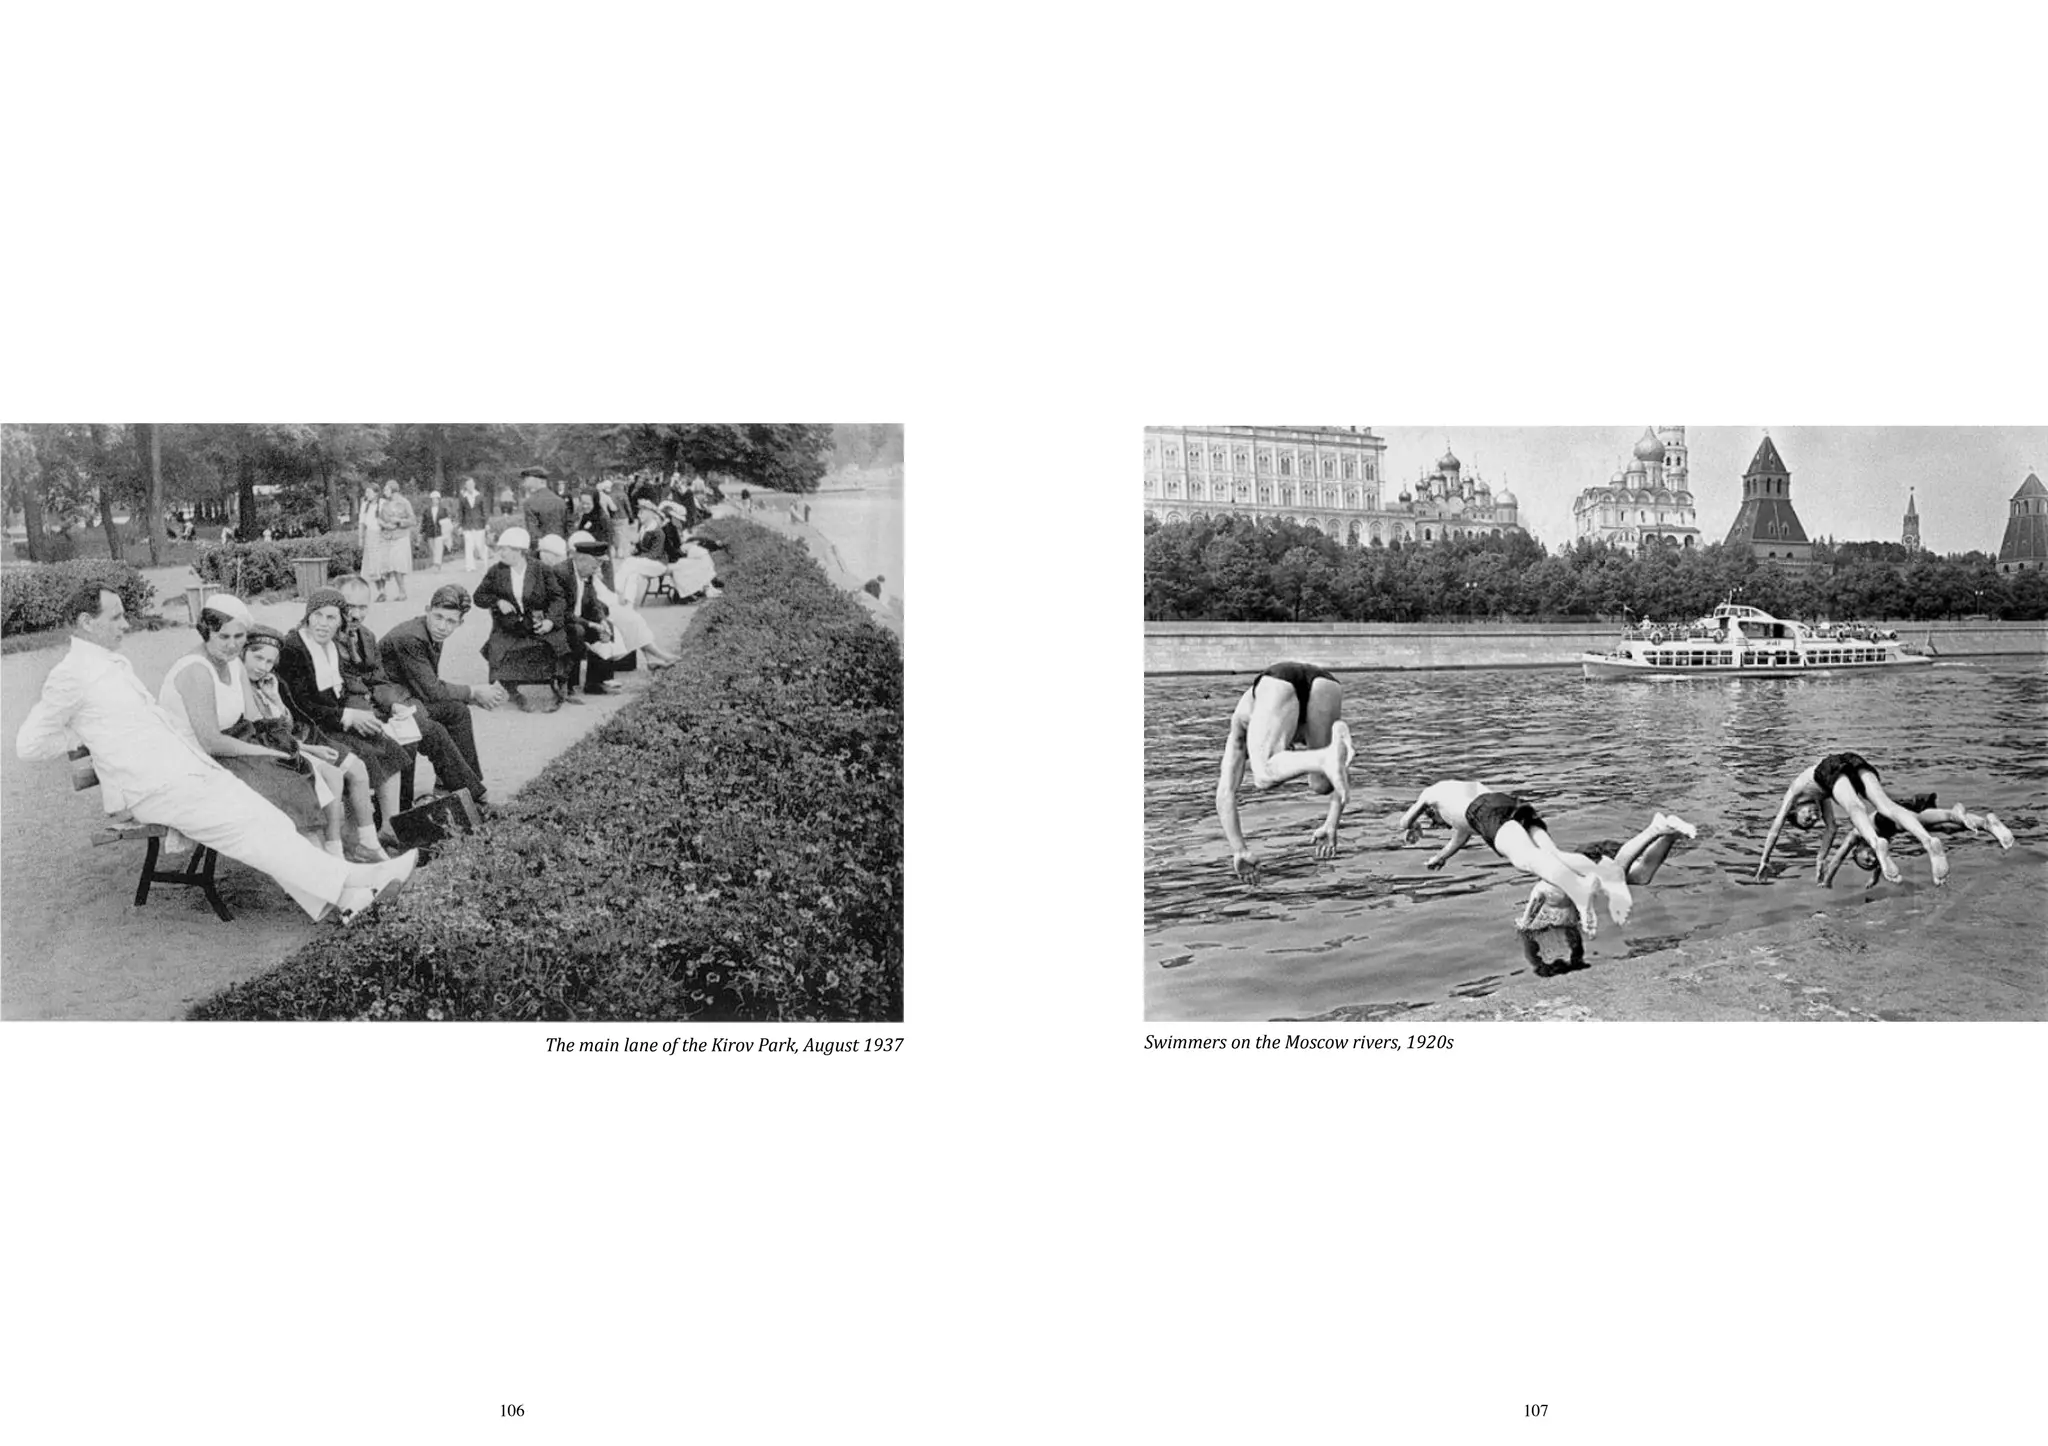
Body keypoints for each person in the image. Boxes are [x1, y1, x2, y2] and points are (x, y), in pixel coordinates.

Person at [16, 585, 417, 923]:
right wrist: (89, 740)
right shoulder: (70, 675)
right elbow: (29, 745)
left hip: (184, 770)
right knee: (248, 829)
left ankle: (347, 897)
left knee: (268, 819)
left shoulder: (111, 663)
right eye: (116, 617)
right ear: (87, 622)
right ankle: (359, 883)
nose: (126, 624)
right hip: (152, 787)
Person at [157, 593, 350, 856]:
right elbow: (211, 742)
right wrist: (266, 752)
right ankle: (315, 867)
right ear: (206, 632)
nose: (231, 645)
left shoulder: (234, 664)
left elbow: (256, 721)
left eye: (239, 637)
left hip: (232, 750)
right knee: (283, 784)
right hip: (196, 761)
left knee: (298, 769)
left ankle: (324, 861)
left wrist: (299, 748)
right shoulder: (196, 670)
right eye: (223, 636)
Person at [332, 575, 491, 809]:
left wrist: (395, 704)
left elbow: (377, 680)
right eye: (350, 606)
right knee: (418, 728)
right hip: (352, 713)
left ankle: (466, 791)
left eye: (362, 607)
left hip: (388, 700)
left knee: (446, 717)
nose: (356, 614)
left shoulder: (365, 635)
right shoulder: (327, 637)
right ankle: (406, 808)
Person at [1397, 779, 1631, 937]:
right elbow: (1462, 834)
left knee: (1526, 859)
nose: (1443, 825)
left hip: (1484, 812)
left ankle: (1578, 889)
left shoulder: (1430, 794)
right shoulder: (1457, 792)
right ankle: (1605, 870)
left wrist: (1412, 826)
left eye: (1437, 823)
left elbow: (1403, 822)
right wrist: (1441, 856)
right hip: (1506, 802)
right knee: (1552, 855)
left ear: (1431, 813)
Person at [276, 587, 414, 845]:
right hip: (309, 728)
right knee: (364, 755)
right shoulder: (294, 648)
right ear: (307, 617)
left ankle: (389, 827)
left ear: (341, 621)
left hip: (330, 720)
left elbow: (337, 696)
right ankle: (356, 836)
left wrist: (358, 716)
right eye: (317, 615)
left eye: (331, 617)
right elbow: (301, 706)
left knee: (389, 748)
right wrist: (347, 717)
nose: (323, 623)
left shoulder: (331, 647)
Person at [241, 622, 387, 861]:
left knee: (350, 769)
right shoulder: (243, 688)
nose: (262, 667)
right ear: (243, 654)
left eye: (269, 662)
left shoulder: (267, 683)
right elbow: (264, 734)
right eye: (258, 658)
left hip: (294, 740)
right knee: (332, 775)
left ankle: (356, 844)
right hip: (274, 752)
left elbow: (286, 724)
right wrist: (309, 748)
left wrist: (275, 699)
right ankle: (333, 851)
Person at [1216, 662, 1357, 882]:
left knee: (1263, 776)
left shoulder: (1239, 733)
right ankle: (1332, 743)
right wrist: (1331, 823)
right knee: (1322, 783)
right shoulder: (1283, 727)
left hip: (1278, 682)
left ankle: (1323, 756)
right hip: (1326, 683)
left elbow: (1225, 793)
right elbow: (1340, 770)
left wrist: (1239, 850)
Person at [1517, 813, 1697, 975]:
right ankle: (1670, 835)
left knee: (1617, 872)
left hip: (1582, 864)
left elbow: (1527, 925)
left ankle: (1655, 829)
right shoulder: (1560, 899)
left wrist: (1526, 930)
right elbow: (1572, 931)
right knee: (1642, 876)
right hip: (1582, 865)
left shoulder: (1546, 890)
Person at [1755, 752, 1951, 887]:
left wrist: (1764, 860)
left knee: (1854, 807)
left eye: (1806, 818)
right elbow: (1831, 828)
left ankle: (1876, 843)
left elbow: (1775, 828)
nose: (1814, 816)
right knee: (1887, 806)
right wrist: (1821, 858)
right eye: (1813, 820)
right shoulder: (1821, 797)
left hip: (1830, 767)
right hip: (1852, 760)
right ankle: (1927, 840)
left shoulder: (1793, 793)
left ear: (1795, 810)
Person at [1816, 789, 2015, 888]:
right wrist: (1875, 877)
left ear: (1856, 852)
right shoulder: (1876, 848)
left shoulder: (1856, 834)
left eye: (1865, 860)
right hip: (1903, 818)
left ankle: (1958, 811)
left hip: (1893, 816)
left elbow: (1838, 858)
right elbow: (1879, 858)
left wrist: (1828, 881)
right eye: (1871, 863)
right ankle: (1987, 823)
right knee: (1946, 826)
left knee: (1945, 818)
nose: (1870, 859)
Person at [472, 526, 567, 711]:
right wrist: (498, 601)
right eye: (500, 549)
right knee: (498, 649)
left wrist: (550, 621)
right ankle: (513, 691)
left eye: (505, 549)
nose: (501, 553)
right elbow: (479, 596)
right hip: (510, 627)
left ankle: (557, 687)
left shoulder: (540, 569)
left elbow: (558, 598)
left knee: (556, 645)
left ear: (519, 551)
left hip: (539, 624)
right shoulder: (496, 571)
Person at [375, 479, 416, 601]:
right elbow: (380, 519)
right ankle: (385, 593)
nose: (384, 491)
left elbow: (413, 520)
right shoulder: (385, 505)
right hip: (388, 538)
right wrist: (384, 525)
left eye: (386, 489)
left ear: (393, 490)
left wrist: (399, 521)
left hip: (401, 537)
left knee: (398, 565)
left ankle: (402, 592)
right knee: (388, 566)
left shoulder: (404, 503)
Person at [521, 467, 565, 547]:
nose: (524, 483)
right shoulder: (560, 501)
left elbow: (533, 532)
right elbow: (568, 526)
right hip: (560, 546)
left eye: (527, 479)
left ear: (539, 480)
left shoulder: (530, 502)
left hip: (542, 548)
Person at [456, 476, 490, 573]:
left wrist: (486, 523)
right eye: (468, 485)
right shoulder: (463, 497)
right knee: (469, 546)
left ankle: (485, 563)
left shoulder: (480, 496)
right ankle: (470, 566)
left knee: (480, 546)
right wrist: (460, 526)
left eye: (471, 484)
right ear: (466, 486)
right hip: (467, 525)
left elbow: (485, 511)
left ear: (474, 485)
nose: (470, 486)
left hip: (479, 525)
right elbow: (460, 512)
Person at [421, 489, 453, 570]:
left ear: (439, 499)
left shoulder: (443, 510)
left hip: (440, 532)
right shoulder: (427, 510)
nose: (435, 500)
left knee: (438, 548)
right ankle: (437, 562)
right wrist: (422, 532)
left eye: (436, 499)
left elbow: (447, 522)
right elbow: (424, 522)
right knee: (433, 549)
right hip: (430, 532)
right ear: (431, 500)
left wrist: (447, 533)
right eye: (433, 499)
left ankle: (437, 564)